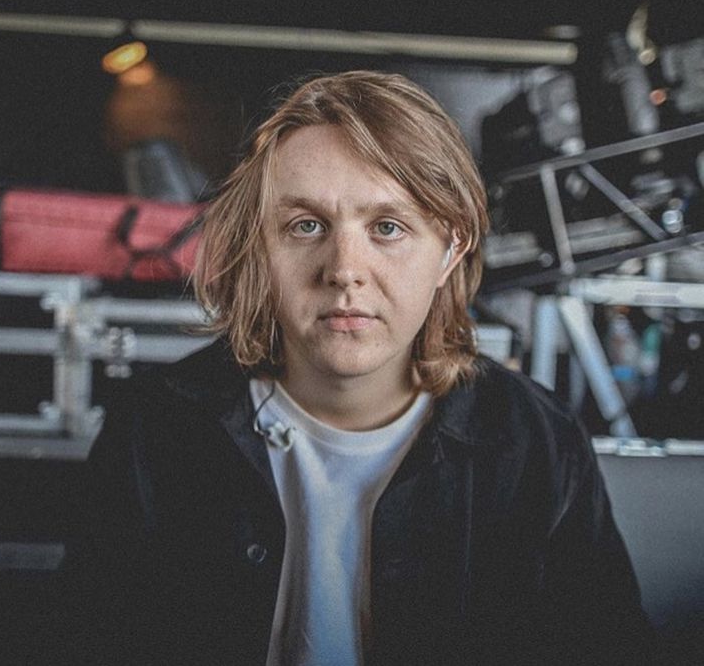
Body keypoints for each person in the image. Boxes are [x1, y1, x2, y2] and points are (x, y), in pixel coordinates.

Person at [72, 71, 651, 665]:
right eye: (306, 226)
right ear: (259, 246)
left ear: (450, 249)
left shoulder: (535, 442)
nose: (345, 270)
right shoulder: (156, 431)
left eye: (388, 228)